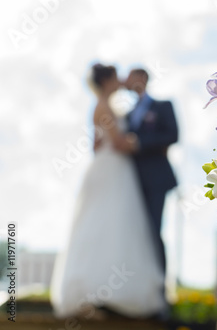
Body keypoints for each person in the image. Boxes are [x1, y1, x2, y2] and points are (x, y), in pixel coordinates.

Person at [50, 64, 168, 320]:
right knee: (110, 225)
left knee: (109, 226)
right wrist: (145, 145)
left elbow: (96, 143)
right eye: (115, 78)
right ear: (106, 81)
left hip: (110, 169)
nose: (120, 81)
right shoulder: (104, 106)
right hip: (113, 168)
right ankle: (102, 293)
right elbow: (117, 142)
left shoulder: (105, 106)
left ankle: (104, 293)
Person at [124, 68, 178, 296]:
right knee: (133, 233)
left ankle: (159, 289)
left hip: (156, 180)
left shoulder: (163, 106)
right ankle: (135, 287)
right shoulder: (126, 115)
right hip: (131, 183)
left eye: (137, 77)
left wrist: (139, 143)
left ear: (144, 79)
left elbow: (173, 135)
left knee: (154, 231)